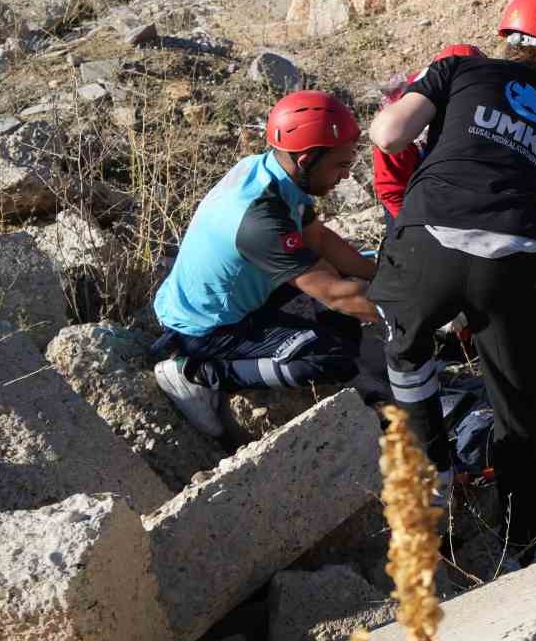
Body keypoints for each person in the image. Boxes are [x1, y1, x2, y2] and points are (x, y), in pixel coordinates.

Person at [368, 0, 536, 562]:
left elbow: (389, 136)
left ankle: (433, 478)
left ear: (506, 40)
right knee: (520, 409)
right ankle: (523, 547)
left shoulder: (457, 69)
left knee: (406, 356)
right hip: (510, 266)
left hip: (427, 248)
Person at [152, 91, 383, 438]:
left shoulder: (270, 174)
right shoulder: (260, 220)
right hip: (206, 331)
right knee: (332, 358)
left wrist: (383, 275)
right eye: (341, 165)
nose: (347, 176)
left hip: (226, 301)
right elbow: (338, 295)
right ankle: (196, 373)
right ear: (306, 160)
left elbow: (318, 239)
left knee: (350, 303)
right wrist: (422, 311)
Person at [373, 43, 485, 228]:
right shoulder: (401, 121)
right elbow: (391, 188)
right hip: (406, 193)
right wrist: (413, 230)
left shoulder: (487, 106)